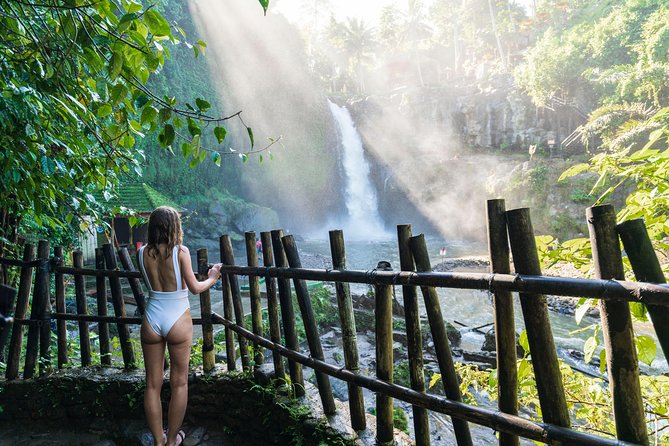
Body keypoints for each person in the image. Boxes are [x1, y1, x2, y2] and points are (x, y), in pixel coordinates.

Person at [136, 206, 222, 446]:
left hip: (152, 317)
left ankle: (158, 440)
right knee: (179, 382)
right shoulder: (180, 251)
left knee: (152, 384)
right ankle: (172, 440)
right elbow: (195, 288)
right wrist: (213, 277)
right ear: (175, 226)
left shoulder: (141, 253)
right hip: (177, 318)